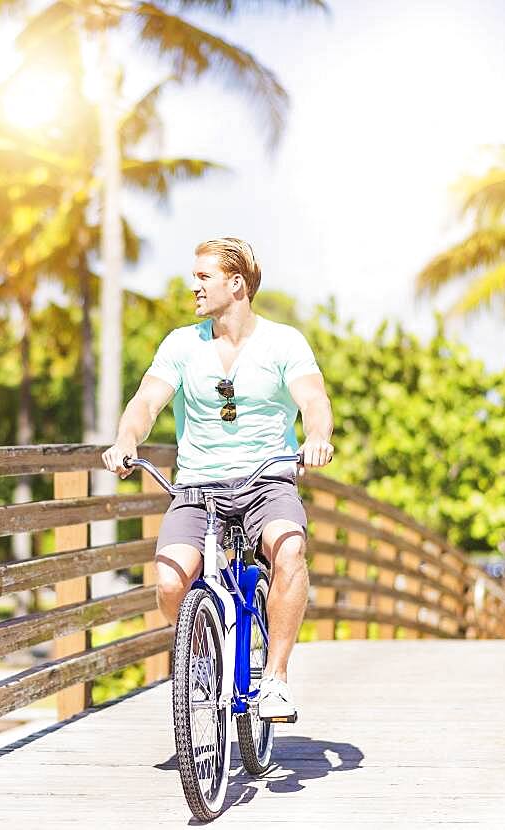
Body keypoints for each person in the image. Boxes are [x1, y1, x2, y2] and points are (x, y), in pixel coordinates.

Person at [102, 237, 334, 719]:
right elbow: (146, 402)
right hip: (197, 486)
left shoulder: (283, 342)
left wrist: (316, 437)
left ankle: (275, 678)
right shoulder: (182, 345)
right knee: (169, 581)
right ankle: (203, 656)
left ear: (237, 284)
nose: (195, 287)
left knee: (288, 546)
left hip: (267, 480)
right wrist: (127, 438)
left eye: (204, 277)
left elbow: (314, 401)